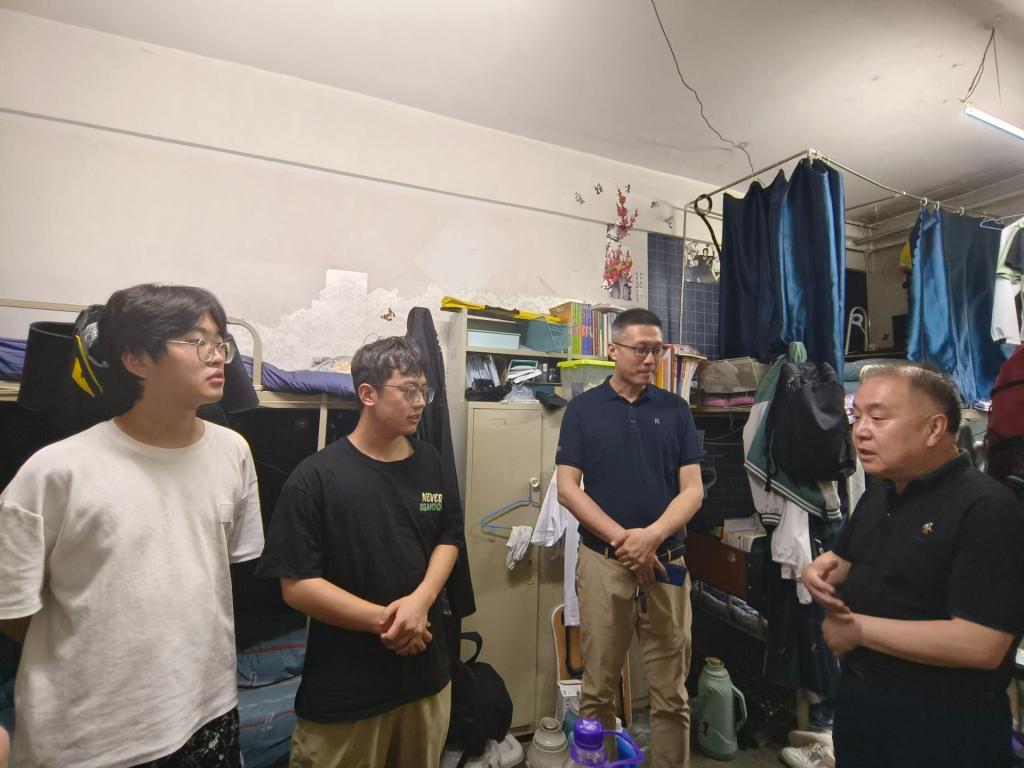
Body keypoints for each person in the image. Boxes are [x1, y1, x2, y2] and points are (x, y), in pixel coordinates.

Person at [0, 283, 263, 767]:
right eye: (198, 341)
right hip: (91, 737)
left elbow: (214, 574)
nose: (218, 356)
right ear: (137, 358)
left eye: (221, 342)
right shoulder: (54, 473)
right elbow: (13, 614)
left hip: (209, 710)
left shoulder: (233, 452)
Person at [802, 363, 1024, 768]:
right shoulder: (881, 492)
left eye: (878, 418)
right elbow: (848, 559)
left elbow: (982, 644)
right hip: (863, 714)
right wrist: (818, 569)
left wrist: (858, 630)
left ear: (934, 428)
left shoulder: (988, 508)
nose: (860, 431)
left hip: (943, 730)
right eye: (856, 416)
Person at [257, 336, 463, 768]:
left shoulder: (431, 462)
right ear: (367, 394)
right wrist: (391, 622)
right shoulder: (316, 477)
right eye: (408, 390)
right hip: (347, 691)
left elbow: (448, 538)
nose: (420, 402)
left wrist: (420, 602)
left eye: (424, 390)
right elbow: (297, 585)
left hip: (426, 677)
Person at [556, 308, 704, 768]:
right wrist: (626, 541)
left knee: (672, 693)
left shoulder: (676, 410)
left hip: (666, 564)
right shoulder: (583, 410)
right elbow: (567, 489)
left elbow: (693, 490)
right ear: (613, 349)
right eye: (641, 349)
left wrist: (652, 537)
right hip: (605, 564)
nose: (650, 359)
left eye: (657, 350)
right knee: (598, 690)